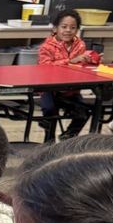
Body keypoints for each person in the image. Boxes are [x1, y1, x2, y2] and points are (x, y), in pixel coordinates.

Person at [37, 8, 94, 142]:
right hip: (49, 89)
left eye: (73, 27)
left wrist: (91, 59)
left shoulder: (80, 45)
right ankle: (48, 141)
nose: (68, 30)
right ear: (55, 28)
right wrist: (70, 61)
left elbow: (81, 65)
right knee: (50, 110)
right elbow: (45, 66)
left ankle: (68, 137)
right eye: (64, 27)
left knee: (84, 111)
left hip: (71, 90)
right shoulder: (46, 47)